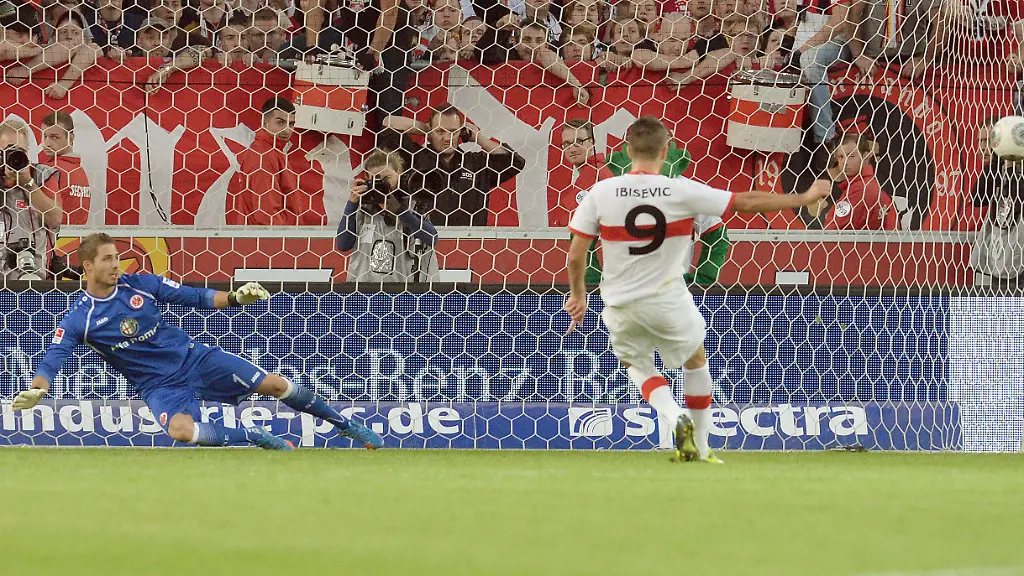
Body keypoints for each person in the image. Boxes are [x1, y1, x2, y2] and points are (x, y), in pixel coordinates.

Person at [563, 116, 830, 463]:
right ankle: (702, 447)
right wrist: (803, 196)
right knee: (696, 361)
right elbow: (746, 202)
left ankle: (674, 416)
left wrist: (578, 295)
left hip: (621, 302)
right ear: (665, 151)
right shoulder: (680, 190)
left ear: (627, 151)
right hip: (669, 299)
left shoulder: (601, 192)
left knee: (638, 365)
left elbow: (575, 255)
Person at [13, 233, 383, 450]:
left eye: (117, 257)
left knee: (276, 385)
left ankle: (345, 424)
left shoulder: (142, 284)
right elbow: (53, 358)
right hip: (159, 386)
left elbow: (195, 297)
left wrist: (235, 297)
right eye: (107, 259)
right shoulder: (80, 318)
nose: (116, 265)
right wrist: (37, 389)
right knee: (181, 431)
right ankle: (251, 435)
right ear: (88, 267)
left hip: (196, 359)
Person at [380, 103, 525, 226]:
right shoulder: (415, 157)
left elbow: (515, 162)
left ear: (461, 132)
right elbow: (388, 124)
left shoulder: (476, 163)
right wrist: (425, 128)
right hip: (424, 240)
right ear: (430, 133)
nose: (447, 138)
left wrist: (478, 138)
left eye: (453, 132)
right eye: (440, 131)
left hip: (469, 243)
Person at [336, 148, 440, 282]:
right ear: (367, 178)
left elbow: (432, 238)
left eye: (387, 178)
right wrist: (351, 204)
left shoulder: (412, 205)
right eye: (376, 179)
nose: (383, 183)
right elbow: (343, 244)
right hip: (364, 287)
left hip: (402, 287)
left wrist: (400, 211)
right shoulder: (363, 208)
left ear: (398, 173)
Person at [227, 97, 324, 225]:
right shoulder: (263, 156)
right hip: (269, 236)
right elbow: (267, 214)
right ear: (264, 123)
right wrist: (283, 236)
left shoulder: (272, 152)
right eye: (280, 122)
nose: (287, 130)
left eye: (291, 124)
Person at [0, 121, 63, 282]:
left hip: (35, 280)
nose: (14, 156)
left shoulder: (42, 175)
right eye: (8, 151)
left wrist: (27, 183)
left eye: (19, 151)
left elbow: (55, 219)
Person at [810, 131, 897, 230]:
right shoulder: (867, 185)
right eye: (841, 157)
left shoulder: (860, 190)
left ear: (865, 157)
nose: (845, 162)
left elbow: (833, 232)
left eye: (851, 156)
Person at [38, 111, 91, 226]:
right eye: (44, 136)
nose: (47, 143)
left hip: (54, 235)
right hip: (76, 236)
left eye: (54, 137)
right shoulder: (80, 172)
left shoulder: (50, 169)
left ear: (70, 138)